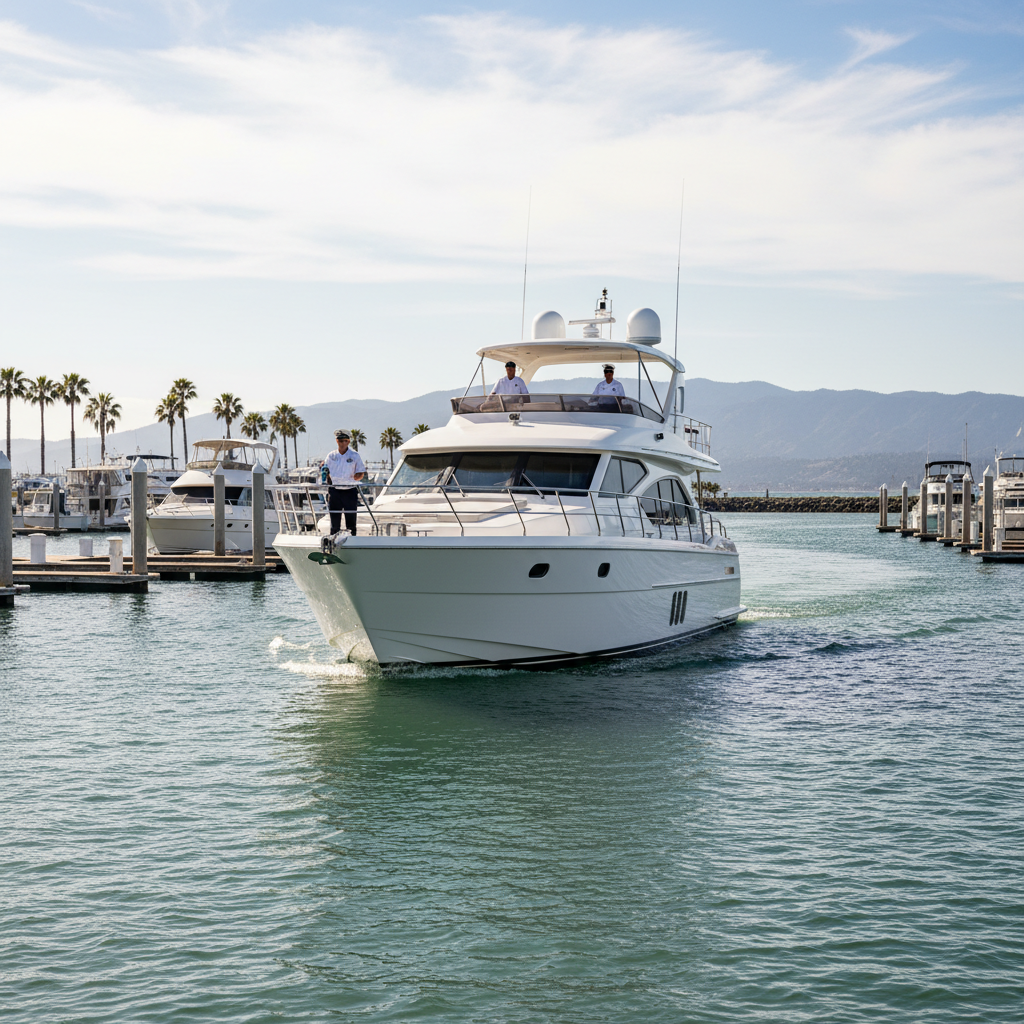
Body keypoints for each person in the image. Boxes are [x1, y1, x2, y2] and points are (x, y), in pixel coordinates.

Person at [325, 429, 366, 534]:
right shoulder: (331, 456)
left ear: (348, 441)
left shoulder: (354, 455)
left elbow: (361, 472)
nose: (342, 443)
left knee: (351, 523)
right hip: (335, 491)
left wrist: (355, 477)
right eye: (340, 441)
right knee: (334, 524)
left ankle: (351, 543)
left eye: (344, 441)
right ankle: (333, 544)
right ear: (336, 441)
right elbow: (325, 470)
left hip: (349, 491)